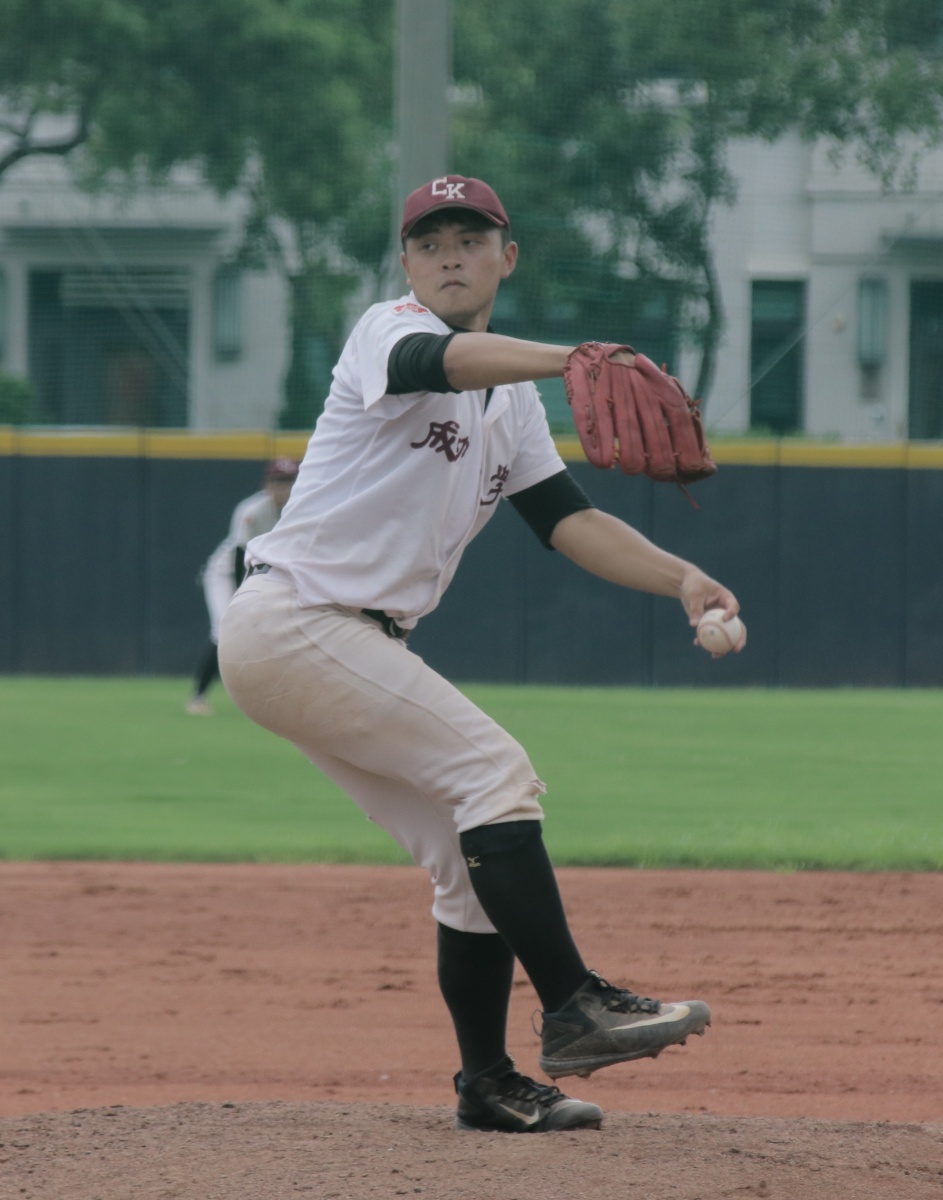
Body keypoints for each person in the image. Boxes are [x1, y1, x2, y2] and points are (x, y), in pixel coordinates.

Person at [217, 175, 746, 1133]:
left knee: (467, 859)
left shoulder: (508, 408)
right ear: (407, 264)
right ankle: (576, 1005)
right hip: (300, 621)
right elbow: (437, 358)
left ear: (508, 255)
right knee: (494, 773)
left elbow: (567, 520)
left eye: (471, 236)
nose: (450, 253)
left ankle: (487, 1081)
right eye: (430, 241)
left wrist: (682, 579)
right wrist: (572, 357)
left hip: (329, 641)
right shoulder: (388, 330)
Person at [185, 458, 299, 715]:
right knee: (222, 631)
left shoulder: (301, 508)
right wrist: (242, 598)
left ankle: (276, 696)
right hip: (226, 574)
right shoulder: (252, 510)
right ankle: (198, 697)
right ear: (266, 484)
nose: (285, 488)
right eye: (278, 481)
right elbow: (239, 555)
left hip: (266, 573)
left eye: (290, 481)